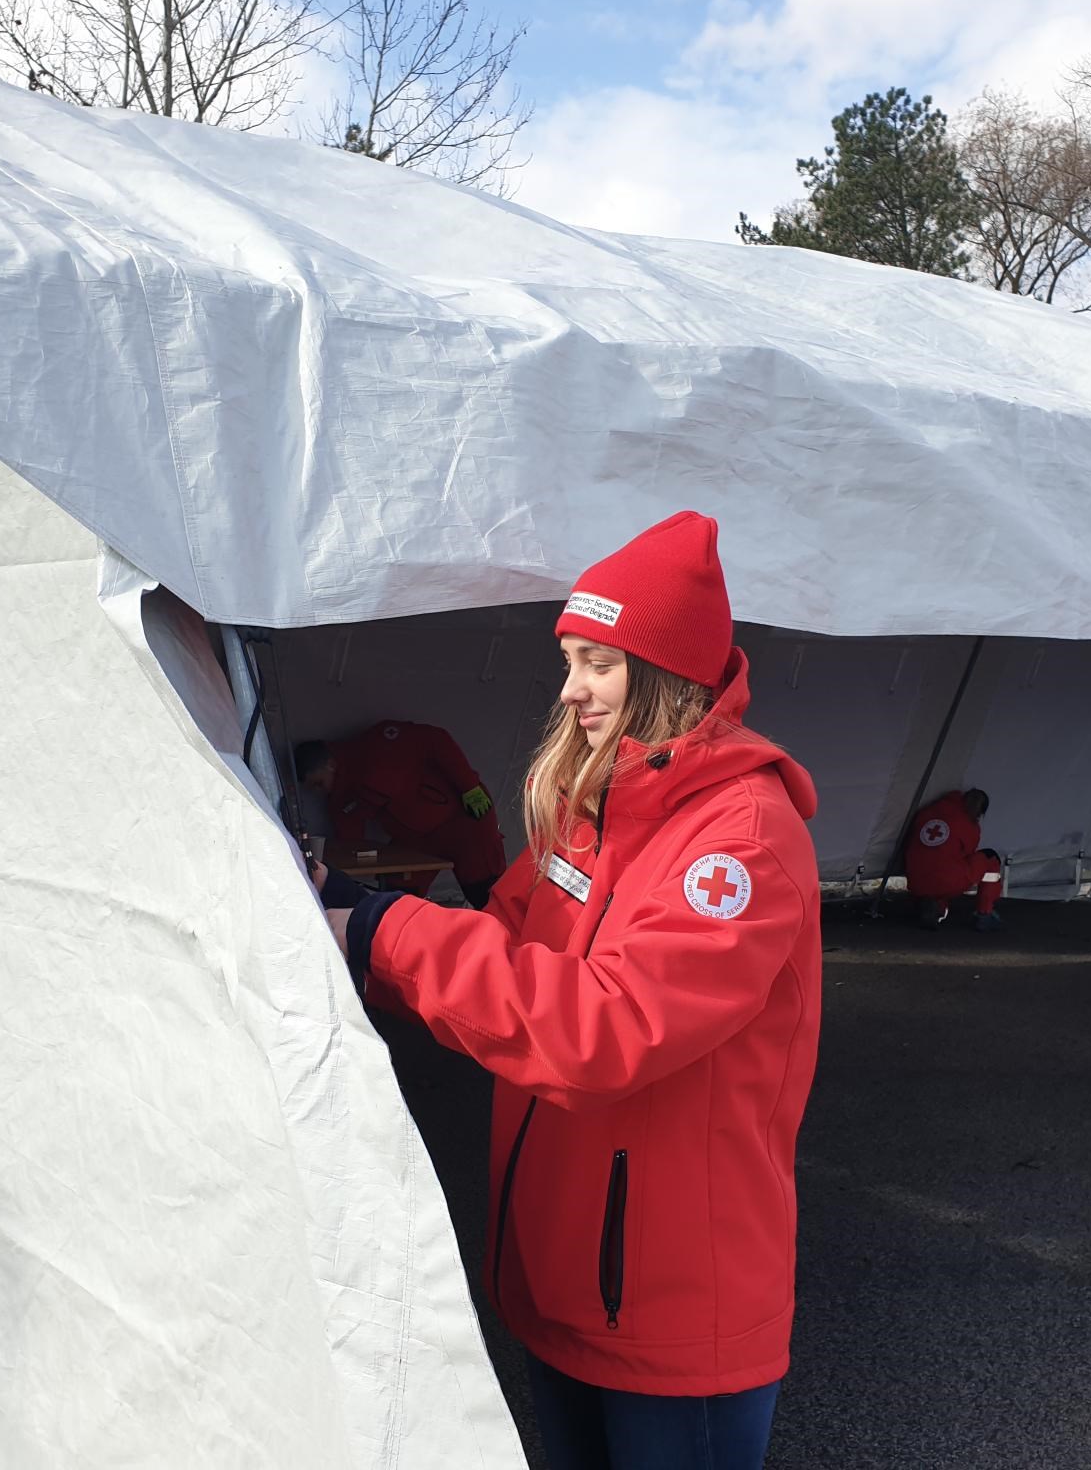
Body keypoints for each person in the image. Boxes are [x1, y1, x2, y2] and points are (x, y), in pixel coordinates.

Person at [317, 512, 821, 1470]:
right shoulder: (597, 808)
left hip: (672, 1312)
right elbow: (507, 950)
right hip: (566, 1283)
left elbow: (606, 1030)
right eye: (570, 661)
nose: (570, 688)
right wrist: (347, 906)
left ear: (663, 672)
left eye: (598, 663)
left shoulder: (740, 842)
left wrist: (382, 932)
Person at [296, 721, 507, 907]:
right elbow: (351, 841)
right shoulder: (341, 798)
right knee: (397, 898)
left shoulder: (377, 744)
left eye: (319, 783)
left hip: (463, 819)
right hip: (417, 838)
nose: (320, 791)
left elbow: (437, 740)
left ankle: (511, 937)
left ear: (330, 764)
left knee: (486, 893)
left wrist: (469, 786)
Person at [903, 788, 1002, 932]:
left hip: (915, 880)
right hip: (946, 881)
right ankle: (984, 914)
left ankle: (934, 906)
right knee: (990, 858)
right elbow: (968, 854)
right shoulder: (969, 824)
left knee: (940, 868)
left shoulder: (930, 811)